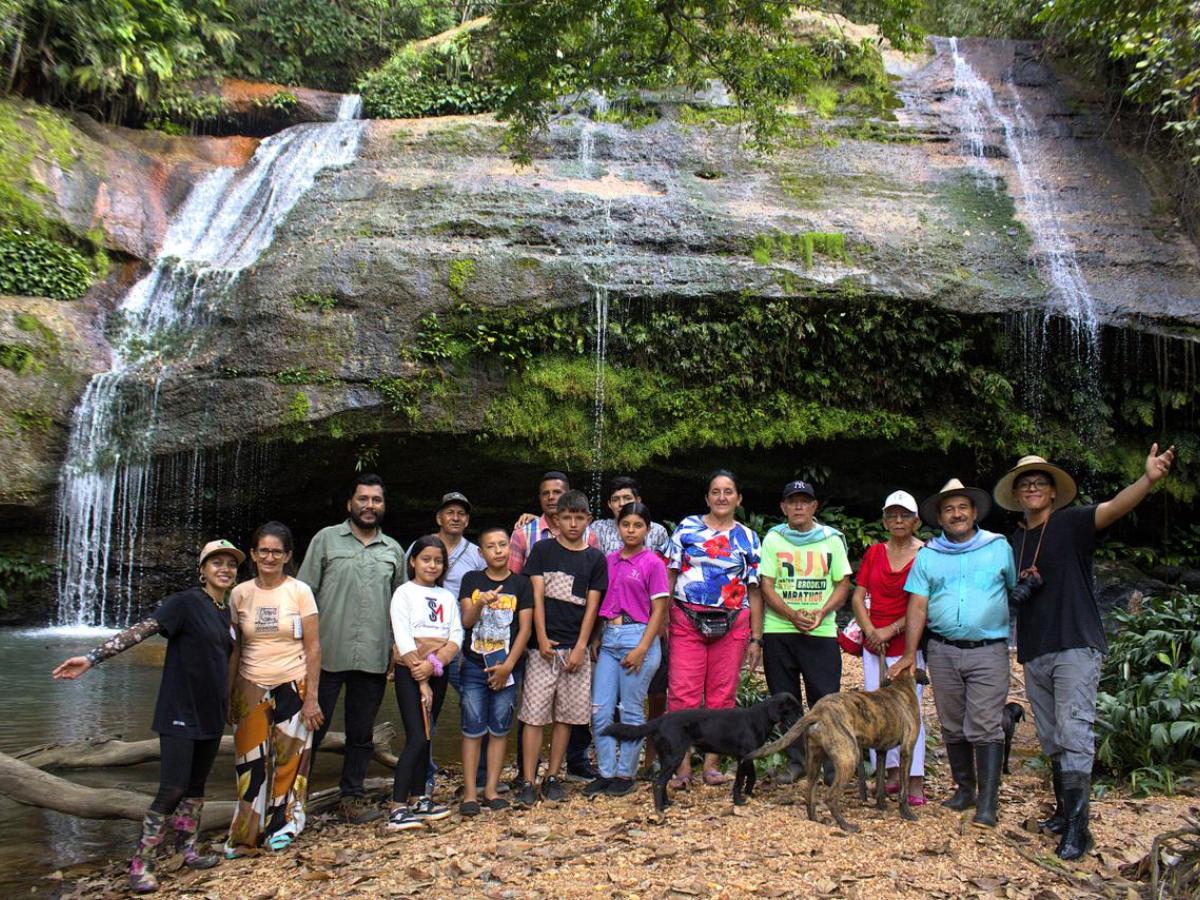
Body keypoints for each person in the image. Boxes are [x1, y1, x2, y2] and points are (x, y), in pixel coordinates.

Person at [992, 445, 1174, 860]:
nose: (1033, 488)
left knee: (1074, 732)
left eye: (1040, 482)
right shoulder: (1015, 540)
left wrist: (1148, 479)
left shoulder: (1072, 523)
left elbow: (1112, 508)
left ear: (1053, 493)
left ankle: (1079, 829)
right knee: (1052, 735)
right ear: (1017, 495)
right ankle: (1062, 810)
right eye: (1026, 484)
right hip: (1035, 647)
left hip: (1075, 641)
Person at [52, 539, 244, 894]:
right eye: (216, 562)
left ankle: (187, 849)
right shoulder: (185, 602)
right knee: (171, 788)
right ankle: (141, 864)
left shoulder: (224, 611)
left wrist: (230, 704)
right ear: (202, 569)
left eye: (231, 564)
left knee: (196, 789)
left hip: (211, 713)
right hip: (179, 711)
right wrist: (93, 658)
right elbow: (144, 629)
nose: (225, 569)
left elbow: (224, 663)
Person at [888, 480, 1016, 829]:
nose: (956, 514)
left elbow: (1015, 590)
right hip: (942, 650)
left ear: (974, 513)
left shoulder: (998, 547)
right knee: (952, 721)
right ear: (940, 518)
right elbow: (917, 606)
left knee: (986, 725)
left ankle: (988, 804)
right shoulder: (929, 555)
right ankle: (965, 790)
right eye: (949, 509)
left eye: (962, 507)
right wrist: (910, 653)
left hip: (988, 650)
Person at [297, 474, 406, 824]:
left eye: (376, 500)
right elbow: (302, 595)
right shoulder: (326, 540)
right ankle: (292, 800)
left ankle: (352, 797)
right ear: (350, 504)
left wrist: (397, 649)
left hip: (372, 656)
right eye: (363, 499)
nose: (369, 505)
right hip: (325, 654)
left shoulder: (393, 551)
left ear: (383, 506)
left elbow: (402, 605)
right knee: (310, 729)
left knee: (361, 734)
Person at [226, 522, 323, 854]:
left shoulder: (299, 591)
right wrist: (229, 694)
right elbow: (235, 649)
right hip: (250, 684)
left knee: (290, 760)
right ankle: (244, 834)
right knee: (249, 764)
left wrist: (312, 697)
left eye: (276, 551)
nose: (269, 557)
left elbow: (313, 647)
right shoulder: (239, 593)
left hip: (292, 681)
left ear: (288, 556)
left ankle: (284, 825)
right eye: (263, 550)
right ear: (252, 554)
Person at [665, 469, 763, 788]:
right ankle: (680, 767)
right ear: (707, 497)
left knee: (722, 696)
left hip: (733, 622)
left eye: (728, 491)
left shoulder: (748, 538)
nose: (722, 497)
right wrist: (663, 618)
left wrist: (757, 639)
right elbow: (670, 575)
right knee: (683, 695)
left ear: (739, 498)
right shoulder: (687, 528)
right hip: (686, 618)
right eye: (716, 491)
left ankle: (711, 765)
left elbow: (754, 590)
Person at [515, 489, 607, 806]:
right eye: (566, 517)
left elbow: (593, 607)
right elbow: (536, 596)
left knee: (566, 716)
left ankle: (553, 775)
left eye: (579, 518)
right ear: (556, 519)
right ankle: (527, 779)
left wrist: (582, 646)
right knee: (534, 715)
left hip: (574, 647)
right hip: (544, 648)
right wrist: (539, 637)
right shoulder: (542, 550)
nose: (572, 523)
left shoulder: (595, 558)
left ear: (588, 520)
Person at [759, 480, 852, 783]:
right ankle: (797, 761)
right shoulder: (773, 539)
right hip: (779, 630)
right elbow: (766, 584)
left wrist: (822, 612)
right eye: (792, 501)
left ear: (814, 506)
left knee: (824, 699)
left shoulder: (831, 540)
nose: (798, 506)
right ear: (783, 507)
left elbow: (843, 584)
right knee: (785, 700)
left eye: (805, 501)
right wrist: (789, 614)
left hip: (820, 631)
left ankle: (827, 764)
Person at [587, 501, 669, 797]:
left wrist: (643, 647)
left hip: (639, 637)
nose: (631, 530)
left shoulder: (653, 563)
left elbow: (660, 610)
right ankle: (606, 771)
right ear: (617, 527)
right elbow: (600, 605)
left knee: (631, 709)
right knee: (600, 709)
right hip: (610, 638)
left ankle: (626, 773)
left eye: (637, 525)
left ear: (647, 529)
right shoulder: (608, 561)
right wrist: (596, 637)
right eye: (626, 525)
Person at [852, 490, 927, 805]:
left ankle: (916, 781)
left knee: (911, 713)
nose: (899, 520)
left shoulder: (926, 554)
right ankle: (891, 775)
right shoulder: (874, 553)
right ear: (884, 521)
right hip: (874, 645)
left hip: (907, 643)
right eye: (893, 515)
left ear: (916, 520)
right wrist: (870, 630)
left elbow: (922, 603)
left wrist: (890, 630)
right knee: (878, 712)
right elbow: (858, 595)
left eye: (905, 515)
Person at [386, 535, 462, 830]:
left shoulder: (446, 597)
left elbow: (455, 634)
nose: (432, 565)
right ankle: (397, 806)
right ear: (413, 562)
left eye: (438, 561)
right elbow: (402, 634)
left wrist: (436, 664)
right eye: (426, 559)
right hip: (411, 670)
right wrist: (420, 673)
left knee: (428, 735)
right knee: (416, 735)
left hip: (437, 670)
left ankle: (419, 798)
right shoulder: (404, 593)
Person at [457, 526, 533, 815]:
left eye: (503, 545)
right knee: (472, 728)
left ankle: (491, 788)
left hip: (508, 667)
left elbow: (525, 629)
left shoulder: (521, 584)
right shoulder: (471, 580)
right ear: (481, 552)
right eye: (491, 546)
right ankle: (469, 793)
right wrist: (480, 602)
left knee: (499, 728)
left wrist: (509, 666)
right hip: (475, 665)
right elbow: (466, 621)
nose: (499, 550)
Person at [591, 476, 670, 555]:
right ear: (609, 504)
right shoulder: (598, 529)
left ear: (638, 501)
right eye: (615, 499)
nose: (621, 504)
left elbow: (666, 564)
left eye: (627, 498)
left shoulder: (657, 531)